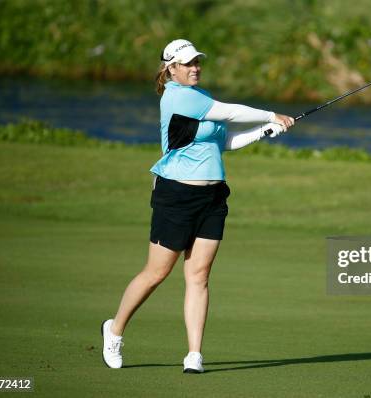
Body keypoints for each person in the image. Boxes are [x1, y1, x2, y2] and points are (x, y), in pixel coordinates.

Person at [101, 39, 294, 373]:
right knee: (157, 273)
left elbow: (225, 141)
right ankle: (114, 329)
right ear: (170, 68)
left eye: (197, 62)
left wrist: (265, 130)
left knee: (199, 275)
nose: (195, 68)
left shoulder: (202, 98)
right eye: (187, 63)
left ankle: (194, 354)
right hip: (175, 194)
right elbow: (231, 112)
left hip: (212, 195)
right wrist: (270, 113)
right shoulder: (177, 97)